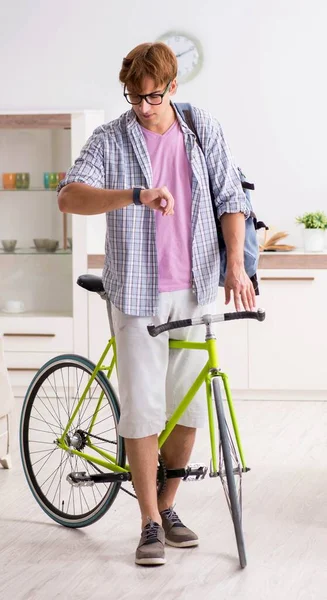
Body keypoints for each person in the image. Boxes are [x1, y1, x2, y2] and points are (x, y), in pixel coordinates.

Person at [57, 41, 255, 567]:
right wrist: (134, 194)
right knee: (143, 407)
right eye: (134, 97)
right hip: (138, 294)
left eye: (152, 96)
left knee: (186, 406)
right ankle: (146, 522)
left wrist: (235, 264)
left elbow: (231, 198)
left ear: (172, 87)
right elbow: (69, 196)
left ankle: (167, 507)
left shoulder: (200, 129)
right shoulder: (110, 138)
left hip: (195, 286)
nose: (143, 106)